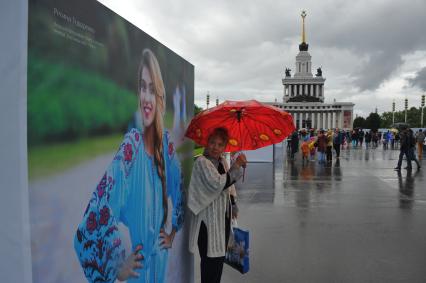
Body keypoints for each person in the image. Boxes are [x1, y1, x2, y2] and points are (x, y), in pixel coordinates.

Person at [74, 49, 184, 283]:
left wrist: (173, 232)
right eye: (142, 87)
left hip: (161, 266)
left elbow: (181, 190)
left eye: (152, 89)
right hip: (139, 272)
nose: (146, 96)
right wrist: (116, 265)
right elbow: (96, 214)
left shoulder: (166, 146)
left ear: (160, 97)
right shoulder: (131, 146)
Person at [187, 128, 247, 283]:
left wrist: (233, 203)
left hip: (223, 221)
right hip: (207, 223)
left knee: (219, 262)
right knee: (210, 265)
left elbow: (229, 188)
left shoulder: (222, 161)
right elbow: (217, 184)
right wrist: (237, 166)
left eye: (220, 144)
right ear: (207, 142)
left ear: (225, 147)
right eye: (212, 142)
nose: (215, 147)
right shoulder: (202, 163)